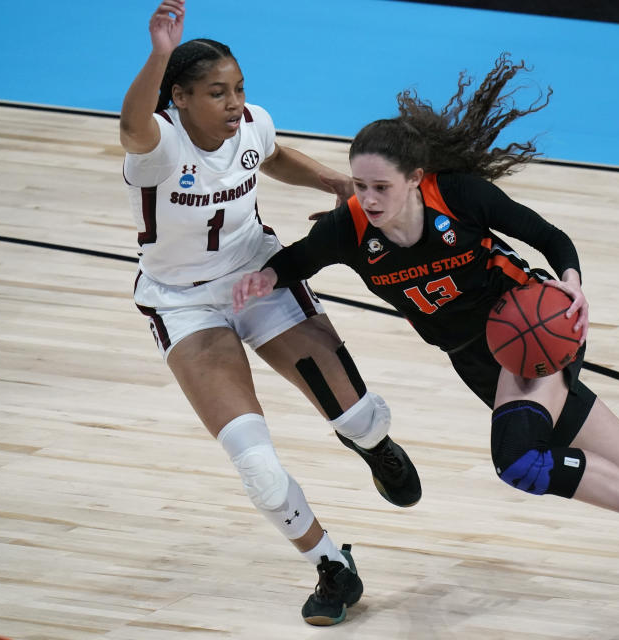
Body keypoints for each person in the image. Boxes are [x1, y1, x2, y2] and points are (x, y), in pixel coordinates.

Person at [233, 53, 619, 604]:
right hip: (475, 359)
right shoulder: (347, 231)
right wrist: (261, 279)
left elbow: (551, 238)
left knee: (521, 462)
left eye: (381, 186)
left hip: (533, 330)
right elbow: (292, 263)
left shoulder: (461, 197)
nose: (366, 197)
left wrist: (573, 283)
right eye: (360, 184)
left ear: (416, 179)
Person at [119, 1, 422, 626]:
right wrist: (156, 53)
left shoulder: (250, 125)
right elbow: (131, 123)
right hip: (185, 306)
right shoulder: (157, 146)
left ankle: (374, 446)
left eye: (238, 89)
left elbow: (272, 153)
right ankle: (333, 565)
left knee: (363, 417)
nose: (234, 104)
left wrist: (336, 184)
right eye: (215, 93)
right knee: (256, 466)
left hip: (260, 279)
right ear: (178, 97)